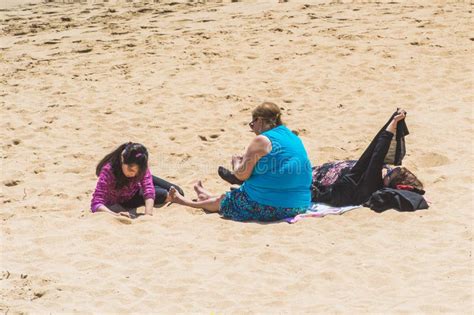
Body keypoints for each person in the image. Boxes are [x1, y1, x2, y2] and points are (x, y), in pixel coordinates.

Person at [169, 102, 313, 222]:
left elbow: (241, 175)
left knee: (227, 201)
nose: (253, 129)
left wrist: (236, 163)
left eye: (252, 124)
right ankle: (206, 196)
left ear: (260, 121)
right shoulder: (293, 137)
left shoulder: (262, 140)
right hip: (301, 204)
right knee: (239, 193)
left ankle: (184, 201)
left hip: (274, 206)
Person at [312, 109, 424, 206]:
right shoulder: (375, 185)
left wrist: (393, 122)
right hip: (329, 179)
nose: (386, 171)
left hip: (320, 183)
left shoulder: (371, 182)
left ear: (389, 184)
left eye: (389, 174)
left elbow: (377, 151)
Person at [91, 142, 184, 218]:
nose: (133, 174)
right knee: (164, 194)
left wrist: (148, 214)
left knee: (178, 190)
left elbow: (148, 188)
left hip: (136, 186)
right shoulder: (108, 170)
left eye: (137, 172)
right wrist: (116, 215)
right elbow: (96, 203)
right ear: (122, 160)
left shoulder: (140, 164)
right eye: (131, 170)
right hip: (127, 199)